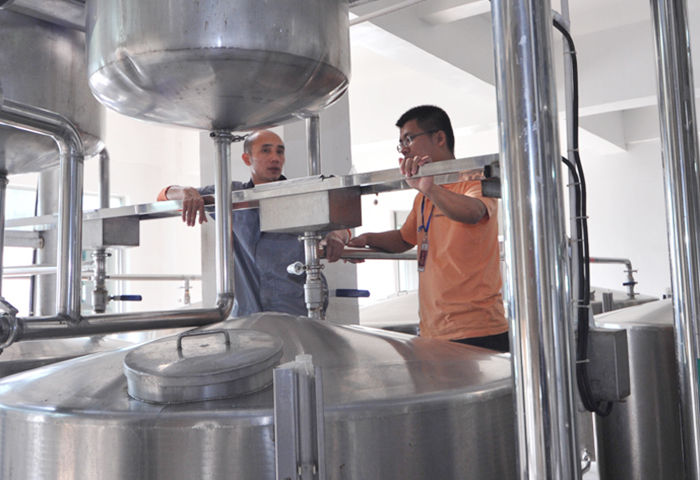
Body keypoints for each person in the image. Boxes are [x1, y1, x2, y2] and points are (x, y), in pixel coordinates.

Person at [335, 106, 509, 352]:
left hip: (478, 330)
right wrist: (366, 239)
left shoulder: (475, 179)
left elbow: (473, 212)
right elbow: (403, 238)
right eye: (401, 144)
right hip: (433, 331)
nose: (404, 149)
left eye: (409, 139)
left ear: (439, 138)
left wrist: (429, 189)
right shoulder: (423, 196)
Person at [158, 130, 350, 317]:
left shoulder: (300, 196)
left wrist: (336, 236)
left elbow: (344, 229)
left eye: (280, 152)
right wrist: (187, 191)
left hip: (298, 313)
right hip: (248, 317)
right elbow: (163, 196)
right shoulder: (231, 195)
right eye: (266, 151)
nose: (275, 158)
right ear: (247, 158)